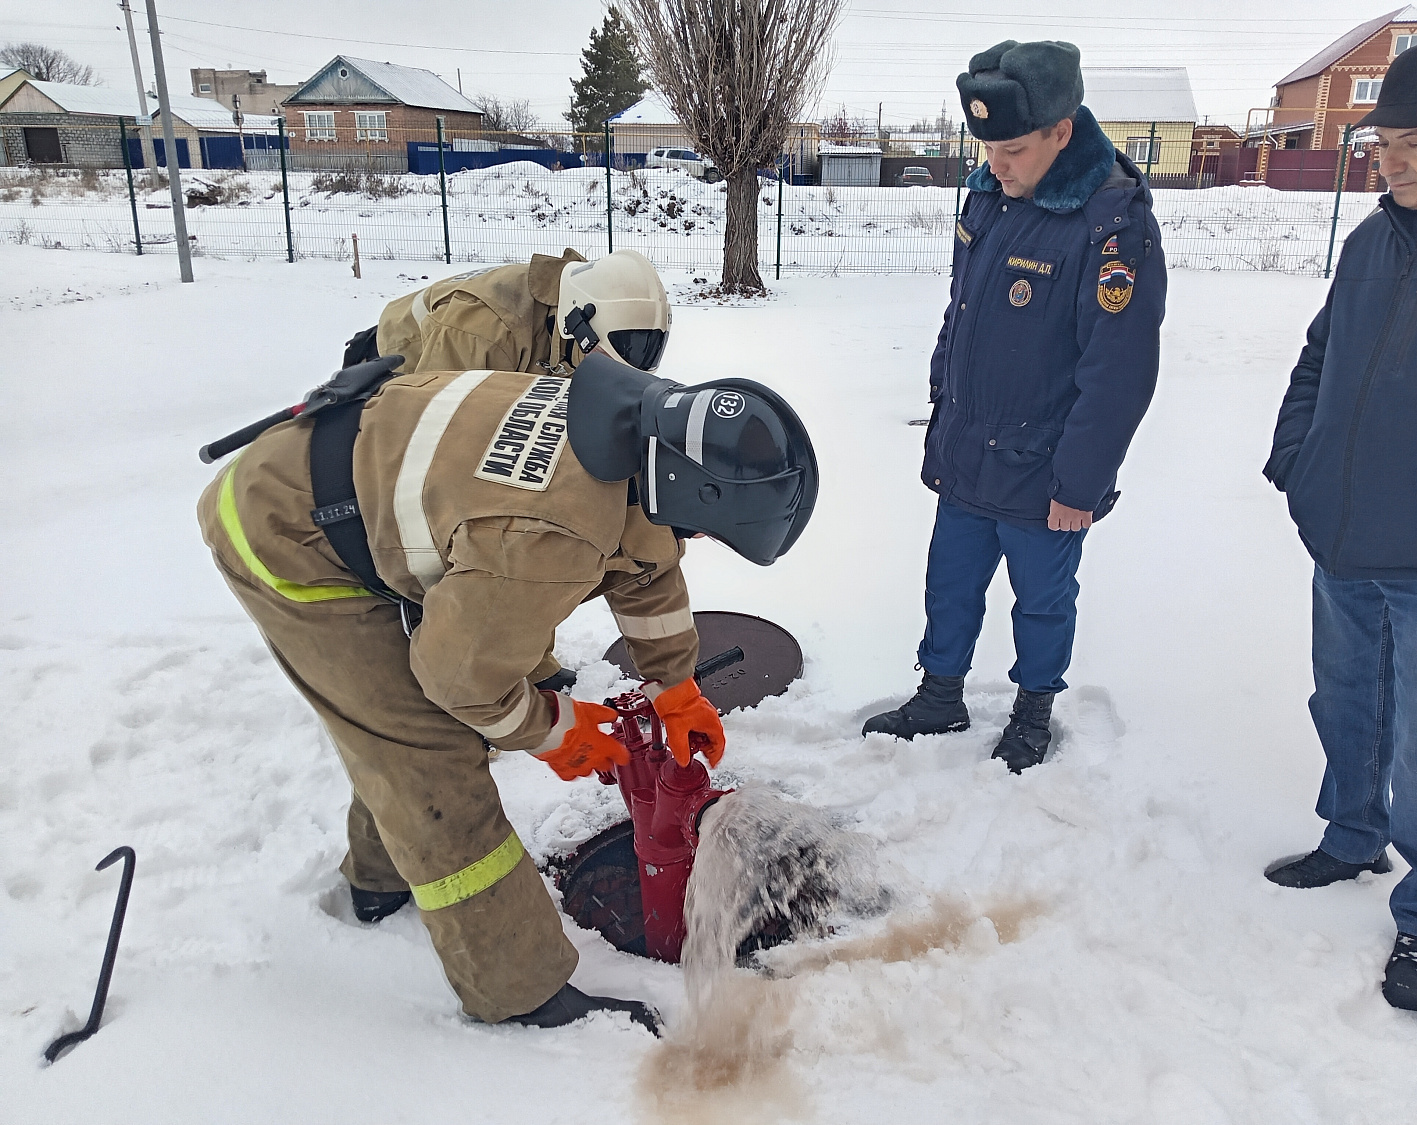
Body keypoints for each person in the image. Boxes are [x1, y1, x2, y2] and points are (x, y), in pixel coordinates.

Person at [196, 348, 817, 1031]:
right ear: (686, 485)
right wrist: (555, 729)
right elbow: (458, 678)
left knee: (393, 721)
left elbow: (646, 555)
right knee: (428, 751)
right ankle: (517, 989)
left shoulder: (626, 430)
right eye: (706, 528)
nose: (697, 540)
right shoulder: (551, 534)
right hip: (288, 534)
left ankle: (379, 878)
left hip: (342, 485)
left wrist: (674, 684)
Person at [1263, 35, 1417, 1013]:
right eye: (1379, 143)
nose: (1388, 161)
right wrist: (1298, 458)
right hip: (1347, 534)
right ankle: (1352, 837)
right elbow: (1321, 355)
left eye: (1411, 141)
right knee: (1348, 702)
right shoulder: (1372, 239)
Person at [861, 39, 1165, 770]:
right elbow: (960, 313)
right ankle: (940, 693)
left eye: (1015, 148)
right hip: (968, 448)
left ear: (1063, 131)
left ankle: (1033, 712)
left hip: (1046, 468)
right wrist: (942, 409)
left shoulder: (1111, 222)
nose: (998, 162)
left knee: (1042, 602)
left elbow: (1119, 372)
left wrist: (1080, 484)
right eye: (988, 145)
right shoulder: (990, 194)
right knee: (950, 584)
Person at [345, 248, 675, 695]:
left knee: (536, 504)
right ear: (575, 325)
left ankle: (521, 657)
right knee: (468, 518)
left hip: (489, 380)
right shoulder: (483, 332)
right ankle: (450, 667)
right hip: (403, 384)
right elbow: (435, 441)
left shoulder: (589, 324)